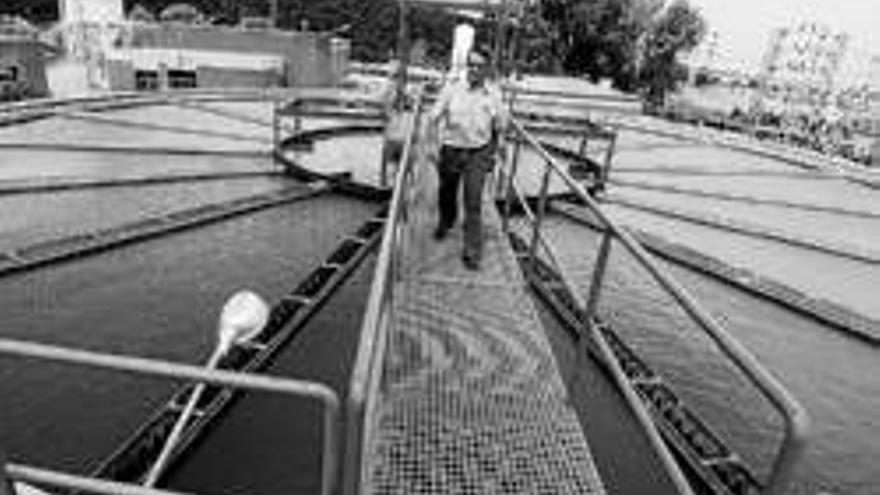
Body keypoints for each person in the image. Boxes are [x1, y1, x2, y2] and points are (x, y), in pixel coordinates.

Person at [428, 51, 507, 271]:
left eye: (479, 66)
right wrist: (432, 146)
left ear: (487, 69)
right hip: (451, 149)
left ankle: (472, 251)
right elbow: (433, 117)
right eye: (470, 65)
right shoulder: (452, 89)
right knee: (447, 191)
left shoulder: (493, 94)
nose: (473, 69)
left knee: (473, 201)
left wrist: (497, 151)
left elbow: (500, 126)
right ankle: (447, 220)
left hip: (478, 153)